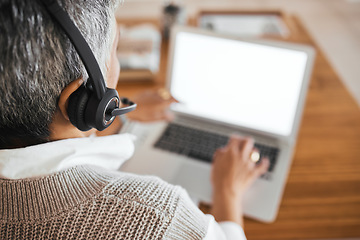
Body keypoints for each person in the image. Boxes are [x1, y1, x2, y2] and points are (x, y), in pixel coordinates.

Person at [0, 0, 269, 239]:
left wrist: (119, 112)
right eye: (114, 50)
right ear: (79, 100)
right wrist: (227, 191)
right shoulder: (159, 217)